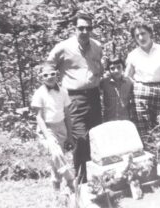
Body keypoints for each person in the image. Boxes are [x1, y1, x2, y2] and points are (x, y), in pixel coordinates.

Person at [47, 12, 103, 183]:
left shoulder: (97, 46)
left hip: (93, 96)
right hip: (73, 98)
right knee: (80, 138)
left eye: (88, 28)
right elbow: (48, 66)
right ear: (74, 29)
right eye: (81, 28)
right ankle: (81, 180)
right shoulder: (63, 47)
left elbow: (99, 67)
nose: (85, 31)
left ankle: (97, 177)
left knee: (95, 136)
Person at [125, 20, 160, 139]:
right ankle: (146, 155)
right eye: (137, 35)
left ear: (150, 33)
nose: (141, 37)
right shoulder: (133, 55)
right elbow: (126, 78)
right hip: (140, 93)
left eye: (143, 33)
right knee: (142, 130)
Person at [31, 63, 75, 192]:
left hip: (61, 127)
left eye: (52, 74)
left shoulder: (63, 91)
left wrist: (70, 136)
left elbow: (67, 114)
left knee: (56, 160)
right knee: (56, 154)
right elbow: (38, 117)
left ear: (57, 75)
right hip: (47, 128)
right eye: (45, 75)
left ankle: (56, 189)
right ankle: (70, 179)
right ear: (41, 78)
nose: (49, 77)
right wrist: (47, 135)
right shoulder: (39, 93)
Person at [100, 55, 134, 122]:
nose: (116, 70)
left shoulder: (129, 82)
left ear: (123, 68)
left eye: (119, 67)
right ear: (109, 70)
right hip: (109, 120)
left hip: (125, 120)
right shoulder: (104, 82)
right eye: (112, 68)